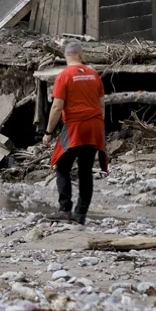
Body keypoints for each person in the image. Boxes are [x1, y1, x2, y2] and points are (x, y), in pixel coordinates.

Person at [42, 43, 108, 225]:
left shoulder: (64, 76)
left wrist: (48, 132)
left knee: (62, 165)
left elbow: (57, 107)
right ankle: (80, 214)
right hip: (94, 126)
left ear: (65, 56)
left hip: (74, 127)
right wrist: (98, 125)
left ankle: (65, 210)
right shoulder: (94, 74)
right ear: (81, 54)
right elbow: (102, 104)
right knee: (85, 171)